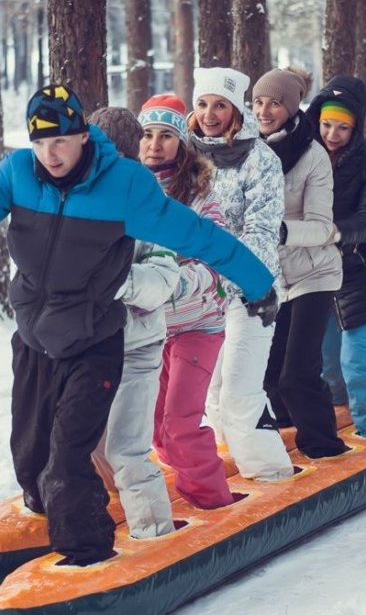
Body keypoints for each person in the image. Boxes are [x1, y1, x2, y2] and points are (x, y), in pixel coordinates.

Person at [0, 84, 278, 566]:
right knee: (31, 456)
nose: (50, 154)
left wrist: (256, 282)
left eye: (60, 141)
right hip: (35, 341)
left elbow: (199, 236)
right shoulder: (20, 173)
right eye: (40, 143)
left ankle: (88, 557)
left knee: (70, 459)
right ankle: (51, 529)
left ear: (83, 136)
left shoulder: (125, 185)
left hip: (95, 341)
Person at [188, 67, 293, 481]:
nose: (210, 114)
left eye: (220, 105)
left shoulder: (260, 158)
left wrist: (242, 281)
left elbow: (263, 230)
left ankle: (270, 472)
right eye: (202, 104)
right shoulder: (187, 154)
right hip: (201, 292)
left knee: (239, 390)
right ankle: (227, 461)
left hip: (253, 289)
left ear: (235, 110)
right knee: (209, 391)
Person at [86, 106, 179, 538]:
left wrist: (113, 279)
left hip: (137, 348)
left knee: (126, 449)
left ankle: (155, 530)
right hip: (87, 349)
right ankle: (97, 519)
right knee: (81, 447)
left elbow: (162, 280)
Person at [138, 94, 235, 509]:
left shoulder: (201, 199)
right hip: (154, 329)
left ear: (181, 143)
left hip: (199, 325)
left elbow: (219, 262)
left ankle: (212, 501)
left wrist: (170, 285)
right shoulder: (127, 195)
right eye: (147, 135)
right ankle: (186, 488)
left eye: (165, 136)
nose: (154, 144)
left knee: (180, 424)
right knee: (156, 429)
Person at [251, 68, 347, 458]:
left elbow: (324, 227)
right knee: (271, 376)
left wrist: (278, 231)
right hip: (276, 277)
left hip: (315, 273)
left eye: (274, 102)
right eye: (258, 101)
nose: (264, 110)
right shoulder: (250, 151)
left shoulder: (312, 156)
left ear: (291, 108)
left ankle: (324, 445)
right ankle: (294, 434)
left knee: (297, 375)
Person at [306, 75, 366, 439]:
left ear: (357, 126)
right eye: (327, 124)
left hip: (362, 271)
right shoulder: (305, 155)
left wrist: (329, 232)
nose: (332, 134)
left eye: (342, 127)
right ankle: (344, 419)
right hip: (318, 271)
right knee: (327, 364)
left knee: (358, 360)